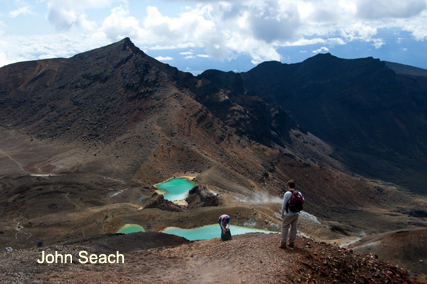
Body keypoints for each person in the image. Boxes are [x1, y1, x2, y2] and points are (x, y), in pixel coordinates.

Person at [280, 179, 301, 248]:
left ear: (288, 186)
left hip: (288, 214)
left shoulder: (287, 194)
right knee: (293, 228)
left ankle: (283, 243)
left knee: (284, 227)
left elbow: (284, 205)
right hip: (296, 214)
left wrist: (282, 214)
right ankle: (291, 243)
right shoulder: (299, 193)